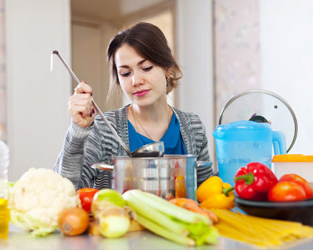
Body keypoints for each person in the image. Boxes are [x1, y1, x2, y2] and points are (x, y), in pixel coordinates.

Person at [54, 22, 211, 190]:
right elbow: (66, 189)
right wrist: (77, 131)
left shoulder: (193, 127)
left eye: (146, 68)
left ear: (167, 69)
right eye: (126, 73)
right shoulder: (103, 129)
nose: (136, 81)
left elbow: (208, 192)